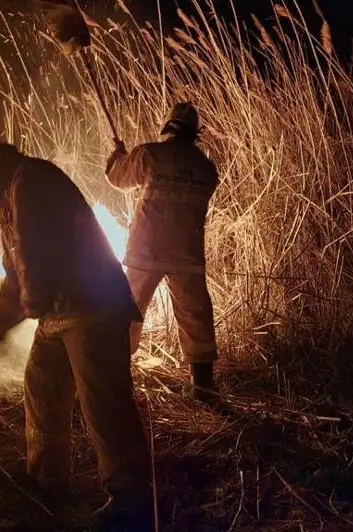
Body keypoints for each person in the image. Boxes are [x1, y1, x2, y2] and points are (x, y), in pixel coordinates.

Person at [0, 127, 154, 531]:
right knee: (42, 385)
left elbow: (33, 259)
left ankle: (132, 501)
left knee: (105, 405)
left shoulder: (30, 182)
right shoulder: (10, 190)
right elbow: (15, 272)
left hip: (92, 307)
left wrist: (31, 303)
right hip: (60, 314)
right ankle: (47, 481)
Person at [104, 102, 219, 402]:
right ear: (196, 133)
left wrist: (118, 155)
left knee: (126, 311)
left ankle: (115, 381)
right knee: (196, 315)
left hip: (147, 250)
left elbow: (118, 178)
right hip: (186, 254)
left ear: (167, 126)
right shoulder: (207, 169)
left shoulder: (150, 154)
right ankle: (203, 387)